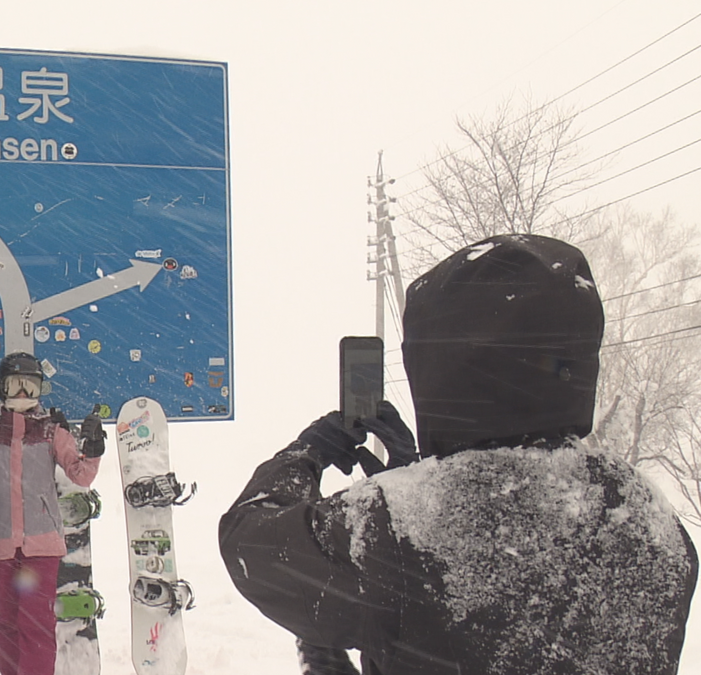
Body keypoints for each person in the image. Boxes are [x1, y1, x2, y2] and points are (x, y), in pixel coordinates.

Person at [218, 234, 698, 675]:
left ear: (437, 363)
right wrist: (422, 476)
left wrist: (311, 450)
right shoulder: (647, 518)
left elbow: (249, 542)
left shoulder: (405, 522)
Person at [0, 351, 105, 675]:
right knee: (6, 622)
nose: (23, 394)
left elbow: (80, 475)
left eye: (30, 386)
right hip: (3, 543)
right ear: (1, 389)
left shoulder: (50, 431)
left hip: (41, 546)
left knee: (36, 623)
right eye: (15, 385)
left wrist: (92, 449)